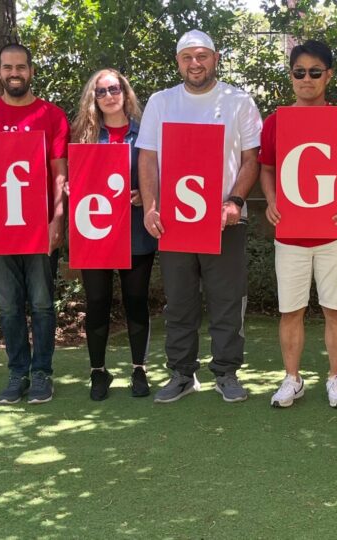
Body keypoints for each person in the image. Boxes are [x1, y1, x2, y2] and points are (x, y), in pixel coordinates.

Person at [137, 30, 263, 403]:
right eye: (188, 57)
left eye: (202, 56)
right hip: (175, 221)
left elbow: (251, 159)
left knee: (226, 299)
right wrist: (150, 207)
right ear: (178, 62)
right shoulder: (161, 102)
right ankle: (181, 374)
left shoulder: (238, 101)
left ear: (216, 57)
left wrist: (235, 201)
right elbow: (148, 157)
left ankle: (226, 372)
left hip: (225, 221)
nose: (195, 63)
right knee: (179, 301)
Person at [258, 40, 337, 409]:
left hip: (334, 231)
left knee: (336, 307)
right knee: (291, 309)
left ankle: (336, 378)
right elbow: (267, 168)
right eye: (299, 72)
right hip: (290, 231)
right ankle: (293, 379)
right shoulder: (275, 122)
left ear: (328, 76)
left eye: (314, 72)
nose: (306, 78)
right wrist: (271, 200)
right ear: (291, 76)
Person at [0, 43, 70, 405]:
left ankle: (41, 373)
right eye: (8, 67)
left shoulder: (52, 116)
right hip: (0, 228)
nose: (14, 73)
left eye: (21, 67)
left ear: (31, 71)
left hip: (39, 228)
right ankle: (17, 373)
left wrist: (58, 218)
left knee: (42, 304)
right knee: (9, 307)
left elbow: (59, 172)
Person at [70, 68, 156, 401]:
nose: (109, 96)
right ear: (94, 98)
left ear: (125, 92)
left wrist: (145, 195)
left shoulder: (145, 133)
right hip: (95, 234)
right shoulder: (84, 136)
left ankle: (138, 368)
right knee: (97, 302)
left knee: (136, 301)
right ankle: (98, 372)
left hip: (135, 232)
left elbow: (158, 175)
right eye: (101, 91)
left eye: (114, 89)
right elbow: (75, 182)